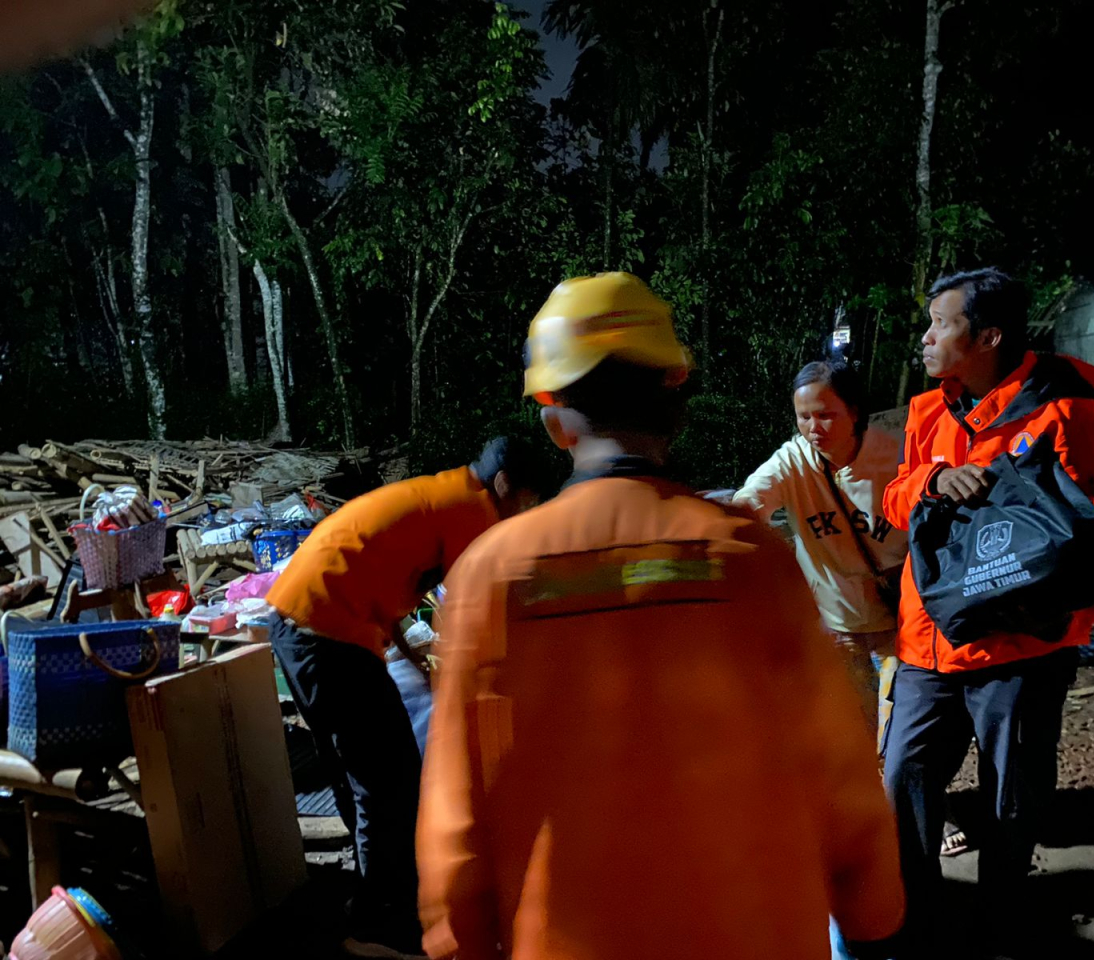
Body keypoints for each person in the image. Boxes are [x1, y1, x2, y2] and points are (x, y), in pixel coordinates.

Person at [416, 272, 904, 960]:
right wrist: (870, 914)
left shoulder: (491, 574)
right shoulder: (748, 558)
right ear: (675, 402)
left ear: (554, 416)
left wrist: (458, 942)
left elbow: (455, 816)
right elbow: (840, 771)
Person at [881, 268, 1094, 953]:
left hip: (1020, 651)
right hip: (929, 642)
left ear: (987, 336)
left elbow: (1087, 541)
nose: (925, 338)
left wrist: (1063, 638)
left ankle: (1000, 924)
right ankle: (915, 917)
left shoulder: (1063, 414)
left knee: (1011, 798)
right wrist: (932, 479)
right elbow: (895, 500)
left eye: (940, 325)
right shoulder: (929, 412)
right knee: (906, 776)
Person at [266, 437, 541, 960]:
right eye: (526, 503)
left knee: (362, 774)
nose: (521, 515)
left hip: (301, 622)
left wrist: (416, 663)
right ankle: (377, 922)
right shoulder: (474, 511)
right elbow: (471, 612)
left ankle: (368, 902)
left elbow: (385, 573)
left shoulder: (443, 494)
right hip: (327, 632)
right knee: (388, 781)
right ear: (506, 486)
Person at [734, 357, 907, 738]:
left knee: (902, 730)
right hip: (836, 621)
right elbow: (750, 503)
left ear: (855, 412)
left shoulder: (894, 456)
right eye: (804, 417)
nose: (814, 429)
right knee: (853, 730)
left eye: (826, 415)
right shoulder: (793, 462)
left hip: (899, 618)